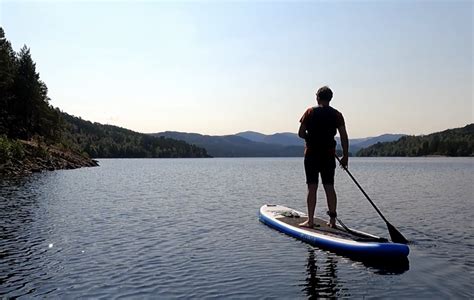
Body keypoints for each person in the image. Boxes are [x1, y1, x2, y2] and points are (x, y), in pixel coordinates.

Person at [298, 86, 348, 229]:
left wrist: (311, 138)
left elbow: (301, 133)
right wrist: (345, 156)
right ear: (330, 98)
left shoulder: (310, 112)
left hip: (311, 155)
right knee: (329, 187)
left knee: (312, 187)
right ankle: (332, 221)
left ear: (317, 97)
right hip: (328, 155)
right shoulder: (337, 114)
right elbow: (344, 136)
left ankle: (310, 221)